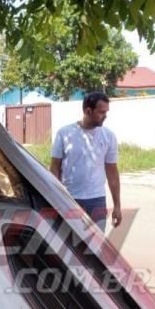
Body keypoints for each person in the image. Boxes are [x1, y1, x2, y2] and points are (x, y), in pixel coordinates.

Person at [50, 92, 122, 231]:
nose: (105, 116)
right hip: (70, 199)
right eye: (101, 112)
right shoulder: (64, 134)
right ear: (88, 111)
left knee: (95, 248)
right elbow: (54, 169)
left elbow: (112, 173)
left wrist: (117, 205)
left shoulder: (108, 136)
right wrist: (55, 200)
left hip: (97, 201)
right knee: (69, 246)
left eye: (106, 112)